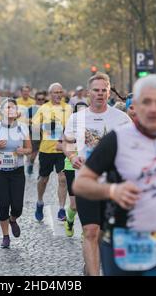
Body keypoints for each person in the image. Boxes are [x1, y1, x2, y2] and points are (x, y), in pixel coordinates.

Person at [73, 74, 156, 276]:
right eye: (146, 102)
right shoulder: (117, 139)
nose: (153, 108)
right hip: (123, 236)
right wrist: (112, 190)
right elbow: (81, 184)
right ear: (137, 105)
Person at [63, 72, 131, 276]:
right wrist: (72, 156)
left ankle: (90, 265)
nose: (100, 94)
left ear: (109, 92)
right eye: (96, 90)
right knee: (90, 232)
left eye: (104, 90)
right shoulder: (77, 118)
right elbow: (66, 142)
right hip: (87, 184)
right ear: (88, 93)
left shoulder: (121, 119)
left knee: (102, 235)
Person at [0, 99, 32, 248]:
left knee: (17, 207)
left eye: (13, 108)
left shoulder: (22, 128)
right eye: (7, 107)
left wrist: (23, 151)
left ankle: (13, 219)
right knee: (3, 203)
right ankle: (5, 236)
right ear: (1, 111)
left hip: (17, 171)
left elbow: (29, 149)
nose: (10, 110)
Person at [31, 83, 72, 222]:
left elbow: (72, 128)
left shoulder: (68, 108)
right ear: (50, 94)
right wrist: (44, 130)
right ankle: (40, 202)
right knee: (43, 179)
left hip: (62, 149)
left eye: (60, 92)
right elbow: (35, 128)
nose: (58, 95)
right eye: (55, 92)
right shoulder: (43, 108)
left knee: (63, 178)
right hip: (46, 150)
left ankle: (61, 209)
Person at [62, 101, 88, 239]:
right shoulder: (70, 127)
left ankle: (86, 230)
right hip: (71, 166)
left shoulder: (92, 127)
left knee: (87, 201)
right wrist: (73, 154)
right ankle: (70, 221)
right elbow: (61, 146)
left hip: (87, 167)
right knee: (75, 204)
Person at [26, 91, 46, 175]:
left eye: (42, 99)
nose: (41, 101)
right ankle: (31, 163)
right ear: (35, 99)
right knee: (34, 151)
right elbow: (26, 120)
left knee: (44, 152)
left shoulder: (48, 108)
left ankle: (42, 172)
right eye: (39, 99)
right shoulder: (31, 108)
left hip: (46, 132)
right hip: (35, 130)